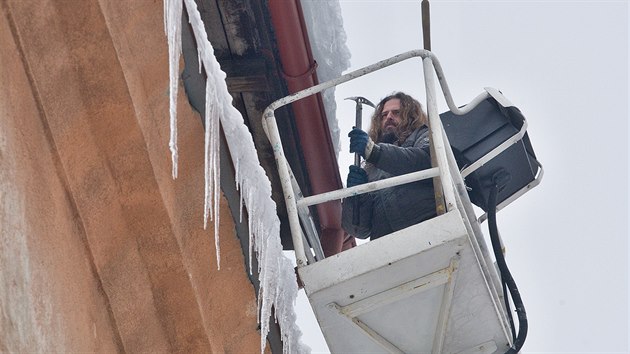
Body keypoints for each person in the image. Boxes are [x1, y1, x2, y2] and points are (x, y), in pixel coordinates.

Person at [341, 92, 437, 240]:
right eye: (384, 115)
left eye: (396, 113)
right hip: (386, 249)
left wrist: (374, 152)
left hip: (430, 231)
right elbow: (359, 230)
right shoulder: (371, 167)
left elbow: (426, 160)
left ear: (412, 116)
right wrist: (357, 196)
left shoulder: (425, 135)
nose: (389, 118)